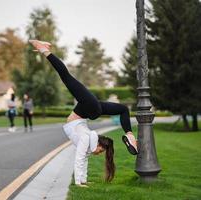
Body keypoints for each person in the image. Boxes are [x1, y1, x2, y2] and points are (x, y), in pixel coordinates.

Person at [29, 39, 138, 186]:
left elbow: (82, 159)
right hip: (88, 110)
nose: (99, 153)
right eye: (101, 151)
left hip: (88, 110)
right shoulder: (88, 139)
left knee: (67, 77)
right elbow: (80, 159)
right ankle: (129, 135)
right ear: (98, 144)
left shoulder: (87, 142)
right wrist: (80, 183)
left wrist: (83, 181)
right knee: (66, 77)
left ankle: (44, 49)